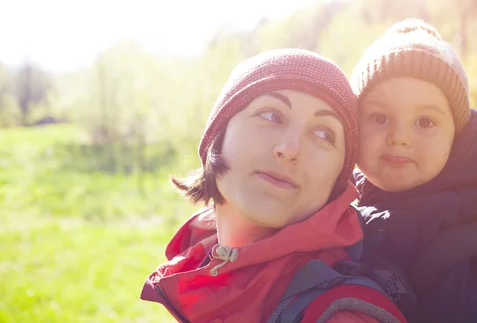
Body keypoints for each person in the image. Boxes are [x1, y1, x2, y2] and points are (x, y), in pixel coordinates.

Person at [140, 49, 408, 323]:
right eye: (271, 116)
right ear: (217, 136)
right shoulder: (199, 260)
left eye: (322, 133)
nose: (290, 148)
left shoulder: (342, 317)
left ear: (339, 178)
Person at [351, 19, 477, 322]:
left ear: (456, 137)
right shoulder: (338, 203)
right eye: (379, 117)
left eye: (425, 122)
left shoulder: (469, 251)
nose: (399, 137)